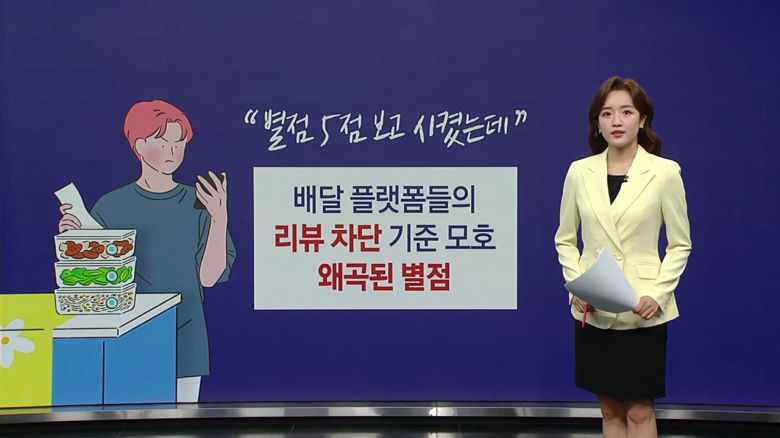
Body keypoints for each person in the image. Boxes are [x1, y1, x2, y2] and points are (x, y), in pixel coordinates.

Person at [58, 99, 237, 403]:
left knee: (183, 418)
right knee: (129, 413)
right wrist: (75, 240)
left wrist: (220, 219)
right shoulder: (111, 206)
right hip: (127, 330)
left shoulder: (198, 204)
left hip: (184, 332)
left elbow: (209, 278)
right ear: (139, 146)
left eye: (178, 143)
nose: (172, 151)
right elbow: (96, 276)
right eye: (162, 142)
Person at [554, 77, 692, 437]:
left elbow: (680, 244)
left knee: (640, 409)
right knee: (609, 407)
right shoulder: (579, 172)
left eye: (626, 112)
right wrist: (578, 285)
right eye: (607, 113)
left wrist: (658, 294)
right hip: (595, 305)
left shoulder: (664, 172)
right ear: (597, 122)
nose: (616, 121)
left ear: (642, 119)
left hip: (642, 306)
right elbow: (565, 239)